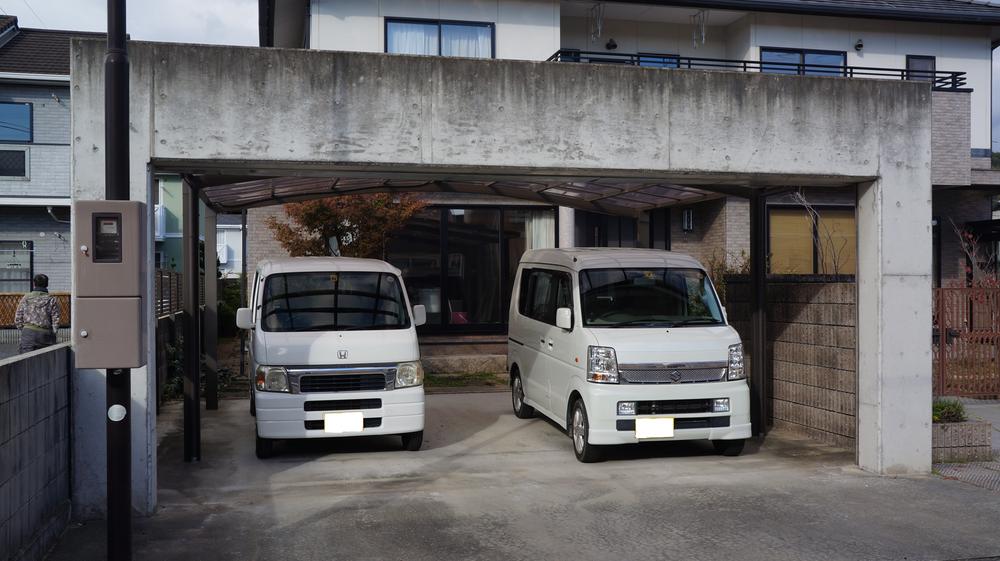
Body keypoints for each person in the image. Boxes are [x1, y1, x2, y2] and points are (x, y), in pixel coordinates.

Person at [14, 274, 61, 353]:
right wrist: (52, 333)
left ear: (34, 283)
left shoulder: (26, 298)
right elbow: (56, 321)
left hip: (28, 333)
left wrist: (25, 330)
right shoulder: (52, 299)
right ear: (47, 284)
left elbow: (18, 318)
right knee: (45, 361)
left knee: (26, 361)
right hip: (46, 335)